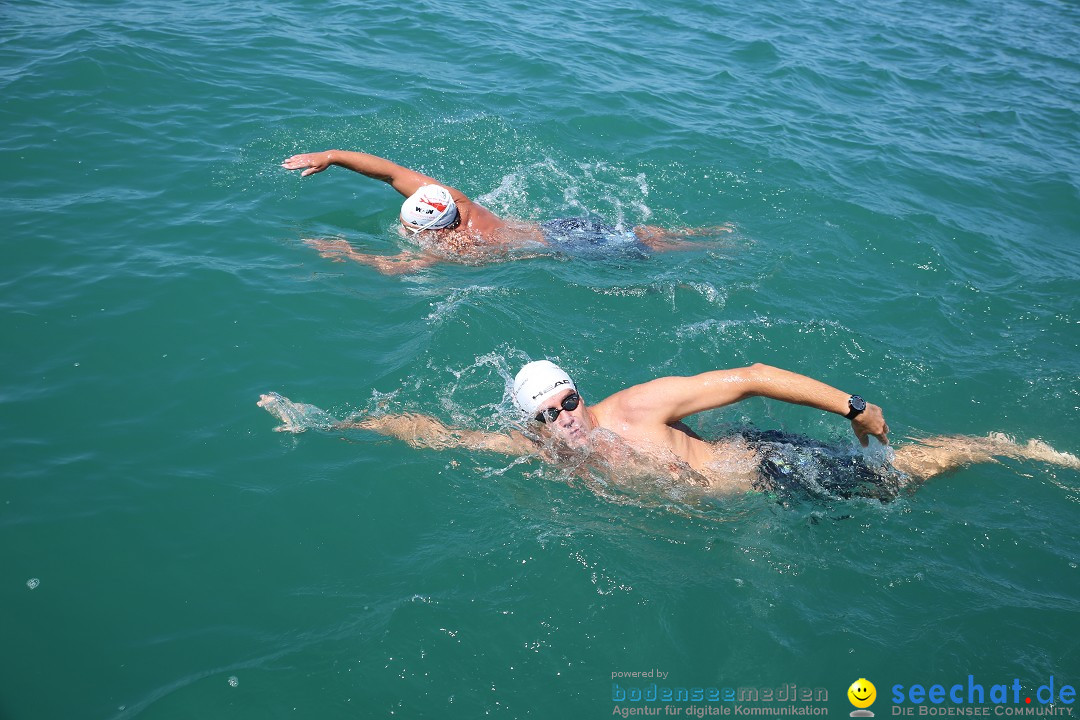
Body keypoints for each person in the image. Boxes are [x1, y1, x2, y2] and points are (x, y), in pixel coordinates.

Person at [257, 360, 1078, 500]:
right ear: (528, 423)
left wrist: (855, 407)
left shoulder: (634, 408)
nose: (565, 419)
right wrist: (330, 422)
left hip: (764, 469)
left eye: (568, 400)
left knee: (909, 483)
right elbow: (429, 430)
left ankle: (1013, 447)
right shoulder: (529, 452)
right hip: (745, 513)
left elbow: (752, 375)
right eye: (546, 414)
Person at [281, 149, 731, 274]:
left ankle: (716, 247)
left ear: (437, 229)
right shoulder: (453, 200)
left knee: (644, 249)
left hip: (563, 245)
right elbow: (389, 172)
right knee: (643, 233)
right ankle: (713, 232)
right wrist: (334, 156)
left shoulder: (460, 247)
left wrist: (343, 251)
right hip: (562, 225)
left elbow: (395, 268)